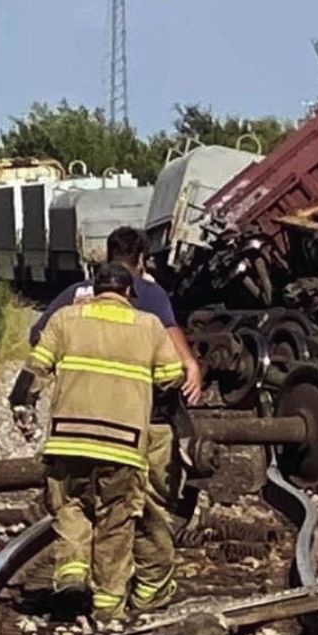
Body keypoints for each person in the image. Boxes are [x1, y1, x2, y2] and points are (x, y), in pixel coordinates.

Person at [30, 226, 202, 611]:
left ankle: (73, 571)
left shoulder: (70, 303)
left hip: (68, 433)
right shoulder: (150, 298)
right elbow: (172, 367)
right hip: (136, 431)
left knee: (71, 504)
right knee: (131, 513)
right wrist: (189, 368)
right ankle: (123, 598)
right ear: (138, 268)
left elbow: (36, 349)